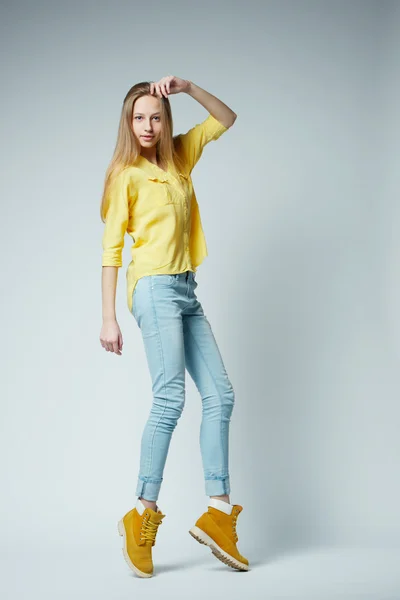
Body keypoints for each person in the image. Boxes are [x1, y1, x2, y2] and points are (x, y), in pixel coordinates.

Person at [99, 75, 249, 578]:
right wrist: (108, 316)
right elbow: (111, 251)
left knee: (221, 395)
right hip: (154, 290)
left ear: (166, 121)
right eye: (137, 117)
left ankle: (218, 513)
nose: (146, 125)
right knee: (170, 399)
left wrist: (186, 87)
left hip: (186, 289)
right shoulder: (126, 176)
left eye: (154, 116)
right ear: (128, 123)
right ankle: (140, 513)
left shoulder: (181, 156)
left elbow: (226, 118)